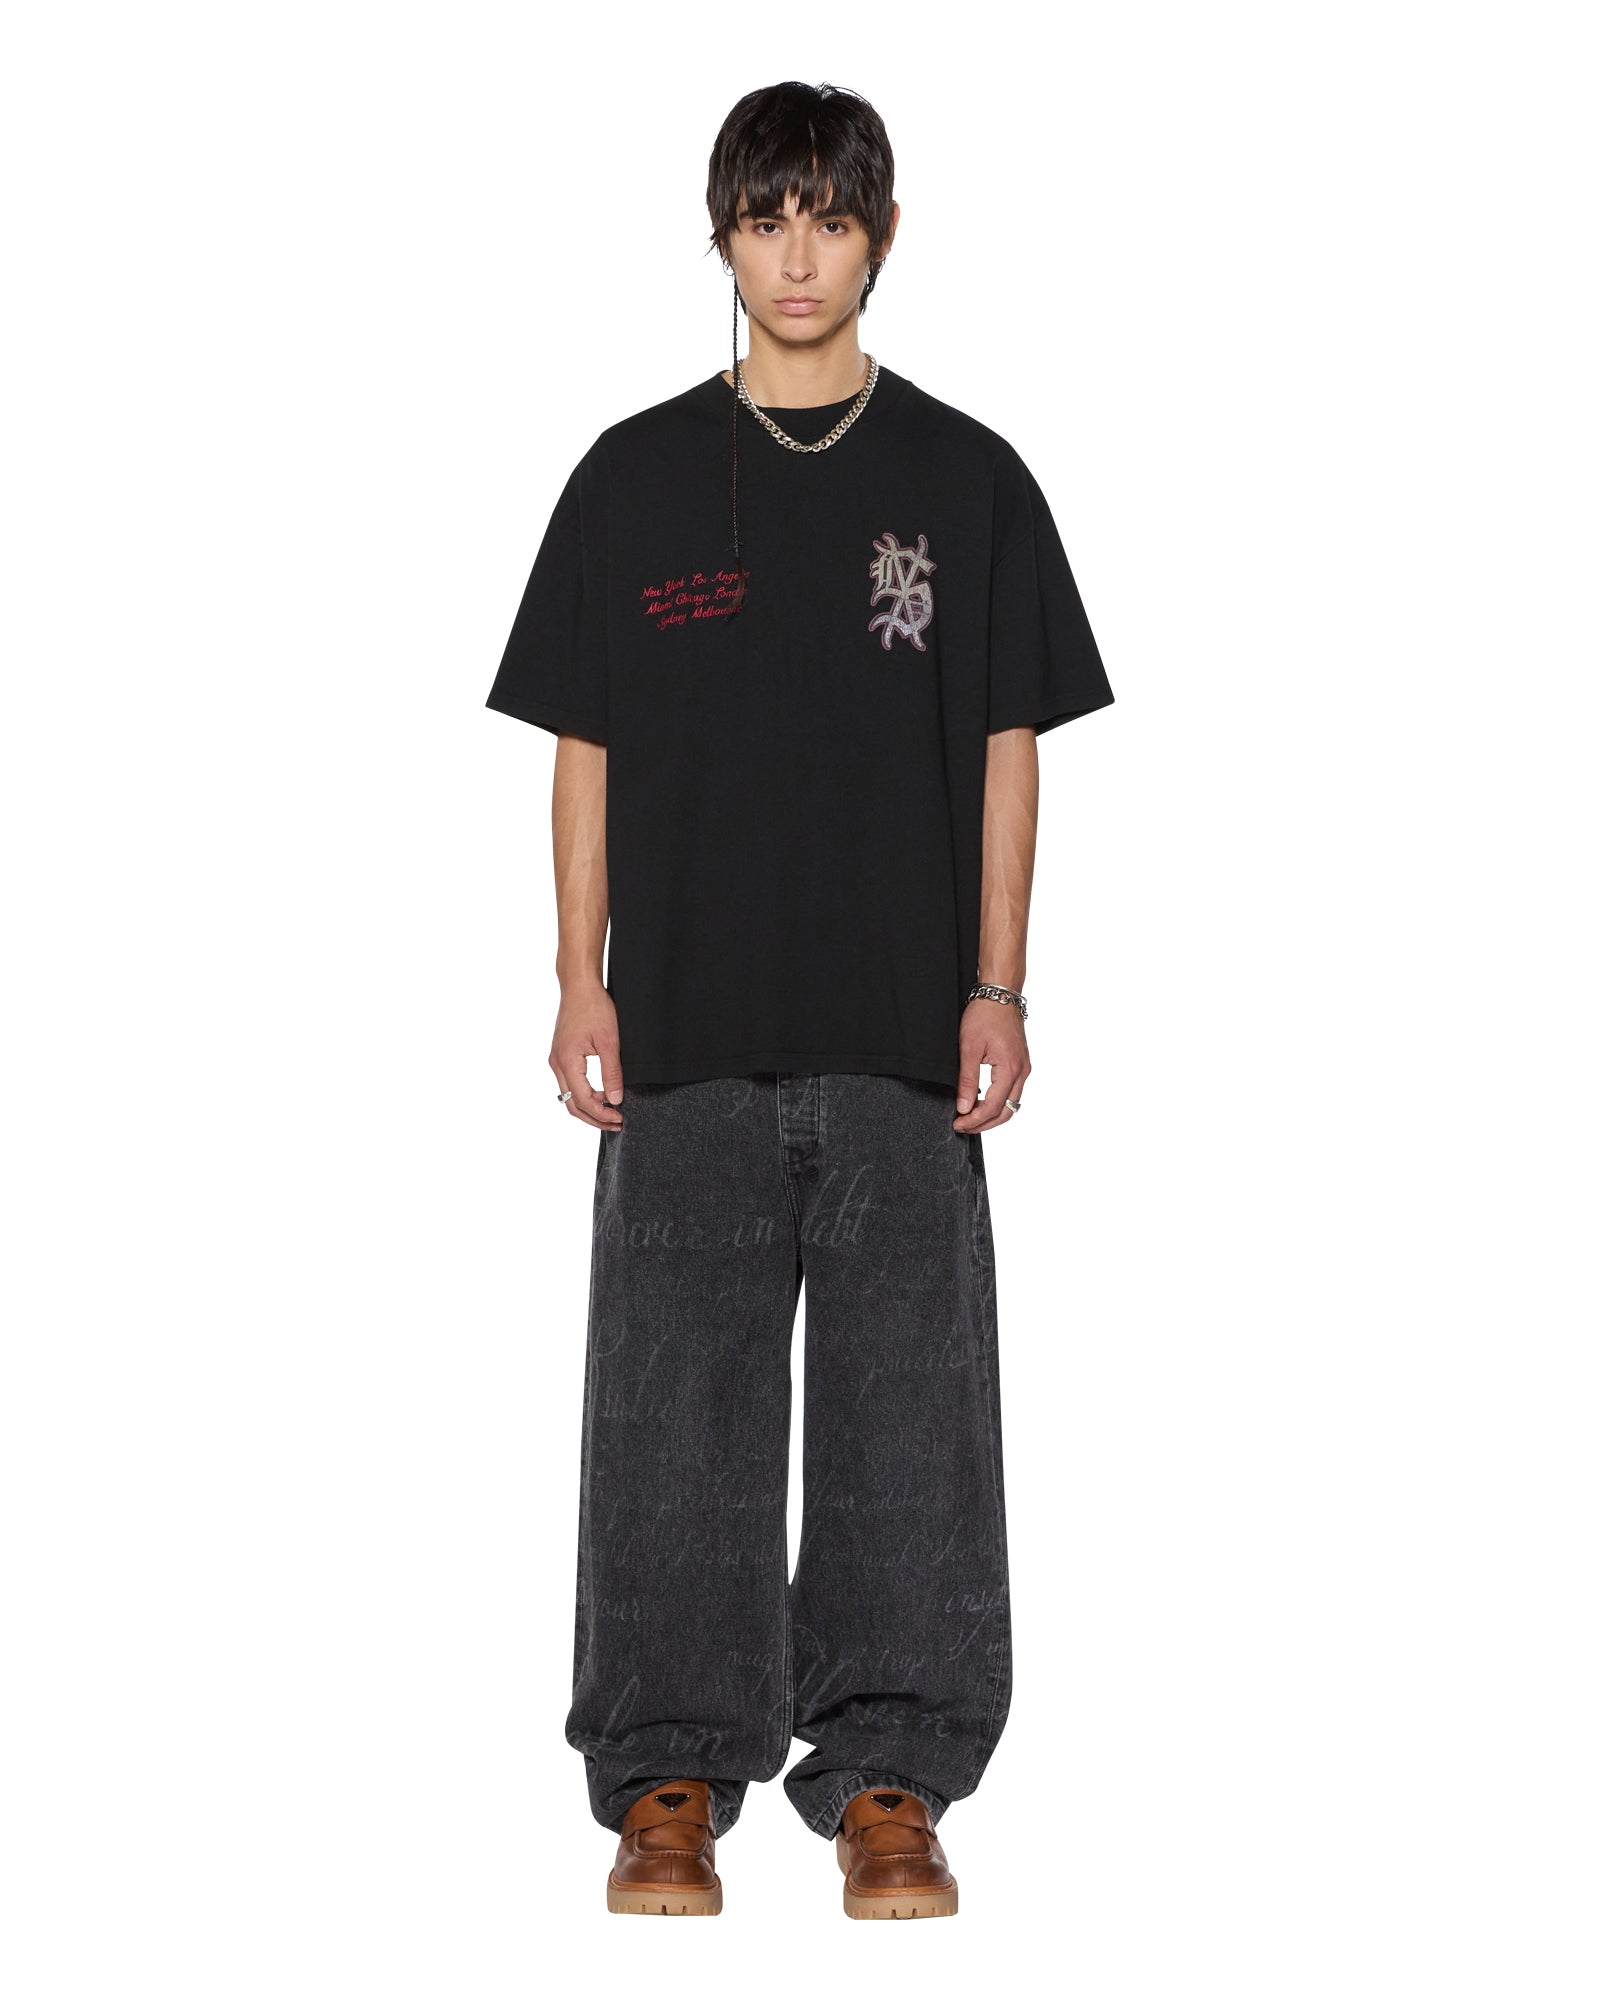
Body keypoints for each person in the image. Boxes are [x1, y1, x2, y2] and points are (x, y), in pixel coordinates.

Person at [485, 79, 1114, 1920]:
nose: (799, 256)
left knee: (910, 1421)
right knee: (670, 1414)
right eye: (767, 218)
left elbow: (1007, 746)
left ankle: (892, 1777)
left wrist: (999, 983)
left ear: (883, 237)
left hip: (905, 1034)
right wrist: (578, 973)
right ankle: (667, 1779)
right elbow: (584, 743)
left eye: (832, 217)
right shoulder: (631, 478)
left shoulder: (968, 482)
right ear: (723, 236)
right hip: (685, 1025)